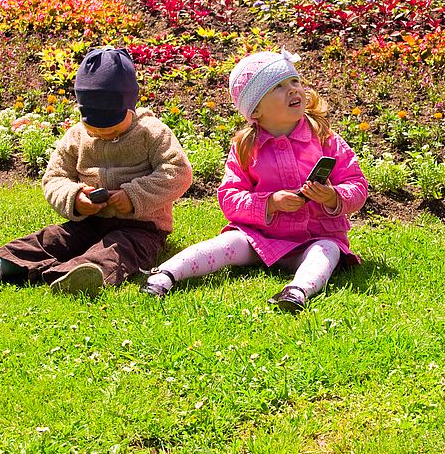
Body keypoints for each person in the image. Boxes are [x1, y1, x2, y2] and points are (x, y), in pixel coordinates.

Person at [141, 49, 369, 312]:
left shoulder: (325, 138)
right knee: (226, 244)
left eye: (294, 81)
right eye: (279, 86)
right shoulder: (246, 147)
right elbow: (229, 197)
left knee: (327, 251)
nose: (293, 90)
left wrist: (332, 196)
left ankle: (298, 290)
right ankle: (165, 275)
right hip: (261, 239)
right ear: (256, 109)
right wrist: (270, 203)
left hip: (315, 236)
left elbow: (356, 184)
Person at [0, 47, 193, 297]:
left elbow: (178, 172)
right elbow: (55, 177)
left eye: (112, 127)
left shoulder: (151, 133)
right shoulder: (76, 136)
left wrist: (133, 196)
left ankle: (81, 274)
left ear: (130, 106)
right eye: (94, 127)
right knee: (53, 237)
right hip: (90, 222)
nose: (103, 133)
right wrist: (75, 198)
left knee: (119, 248)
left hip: (142, 227)